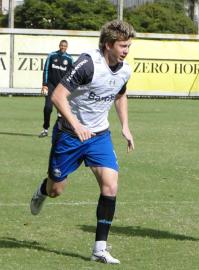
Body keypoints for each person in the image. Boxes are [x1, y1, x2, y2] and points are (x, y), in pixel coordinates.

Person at [29, 20, 135, 264]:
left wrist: (125, 127)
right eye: (123, 46)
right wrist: (77, 126)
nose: (126, 50)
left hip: (99, 136)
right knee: (57, 189)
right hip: (69, 135)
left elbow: (120, 94)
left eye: (128, 46)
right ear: (108, 44)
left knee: (110, 185)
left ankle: (99, 249)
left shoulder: (125, 69)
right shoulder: (88, 64)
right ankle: (43, 190)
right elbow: (58, 96)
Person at [39, 39, 73, 138]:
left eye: (65, 46)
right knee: (48, 108)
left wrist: (69, 87)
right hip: (50, 85)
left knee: (61, 111)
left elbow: (71, 74)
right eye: (62, 45)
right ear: (59, 46)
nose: (63, 47)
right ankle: (45, 129)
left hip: (61, 88)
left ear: (67, 47)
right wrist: (44, 84)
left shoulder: (69, 59)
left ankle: (61, 131)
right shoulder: (52, 55)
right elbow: (45, 70)